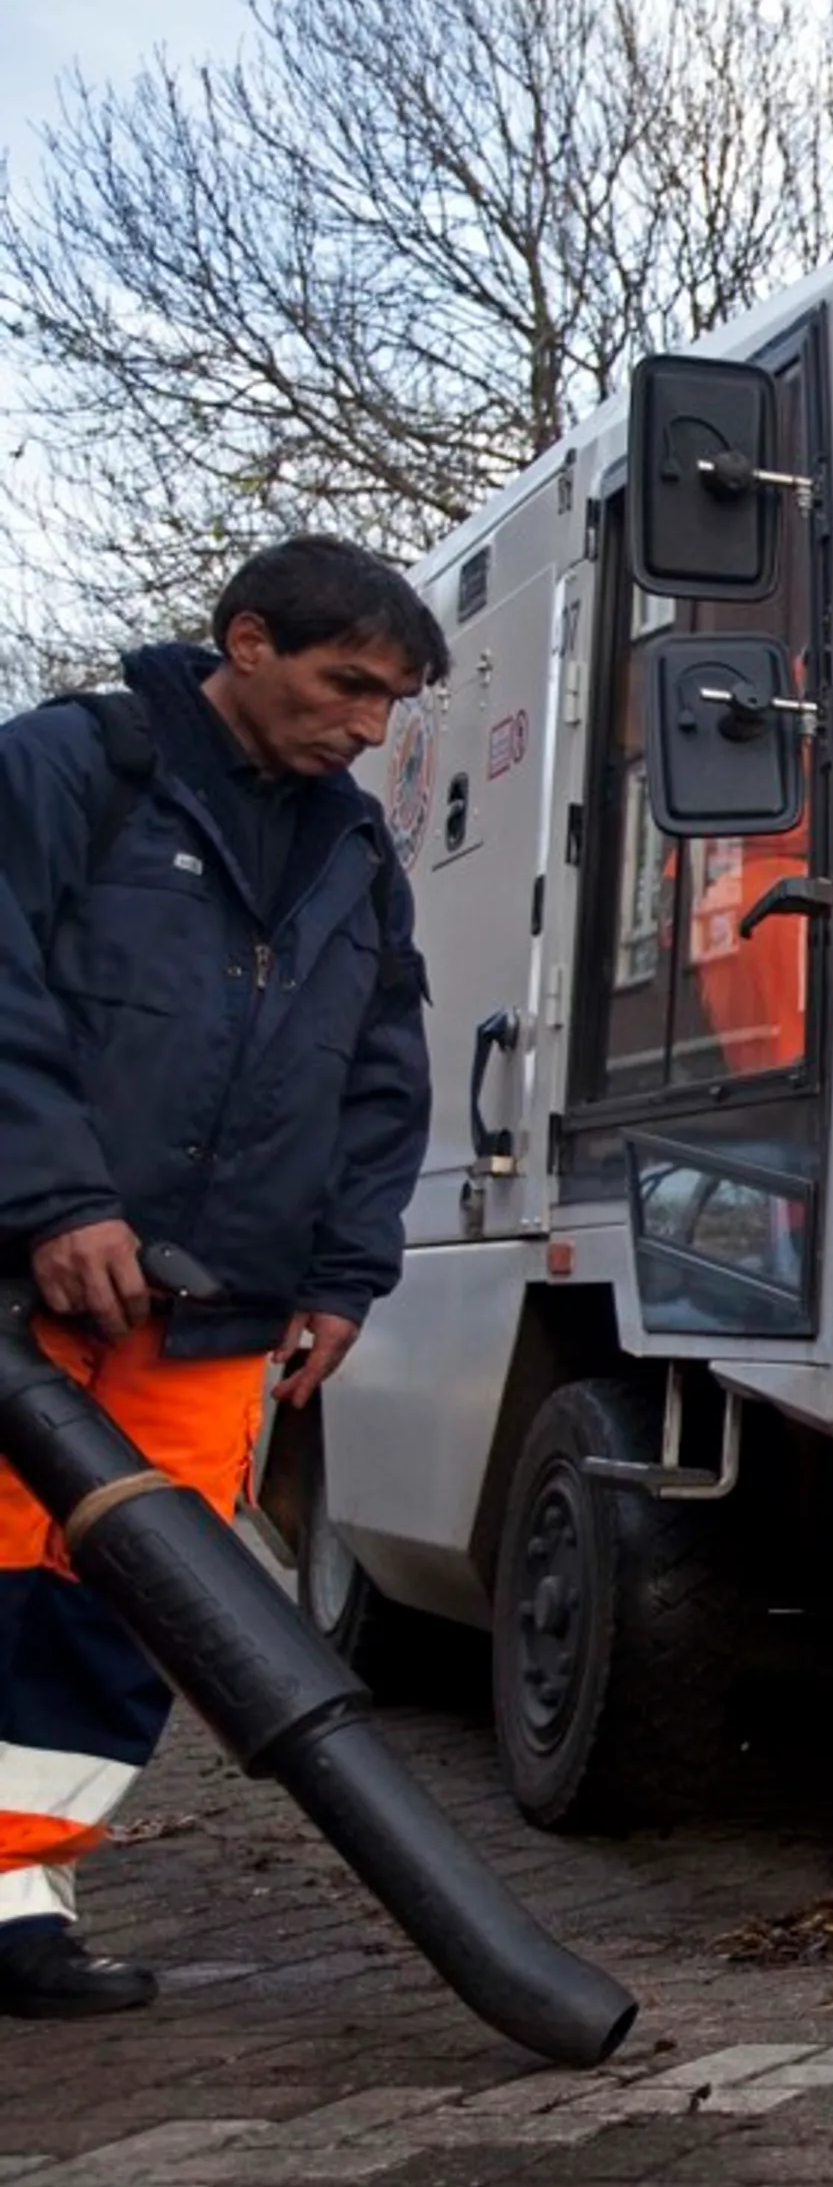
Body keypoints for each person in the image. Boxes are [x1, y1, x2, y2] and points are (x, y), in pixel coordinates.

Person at [0, 535, 445, 2018]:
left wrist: (346, 1275)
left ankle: (18, 1892)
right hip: (30, 1281)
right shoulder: (74, 767)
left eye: (390, 703)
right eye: (348, 685)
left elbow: (379, 1074)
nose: (367, 727)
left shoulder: (352, 851)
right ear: (247, 641)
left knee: (137, 1604)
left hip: (218, 1302)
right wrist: (56, 1196)